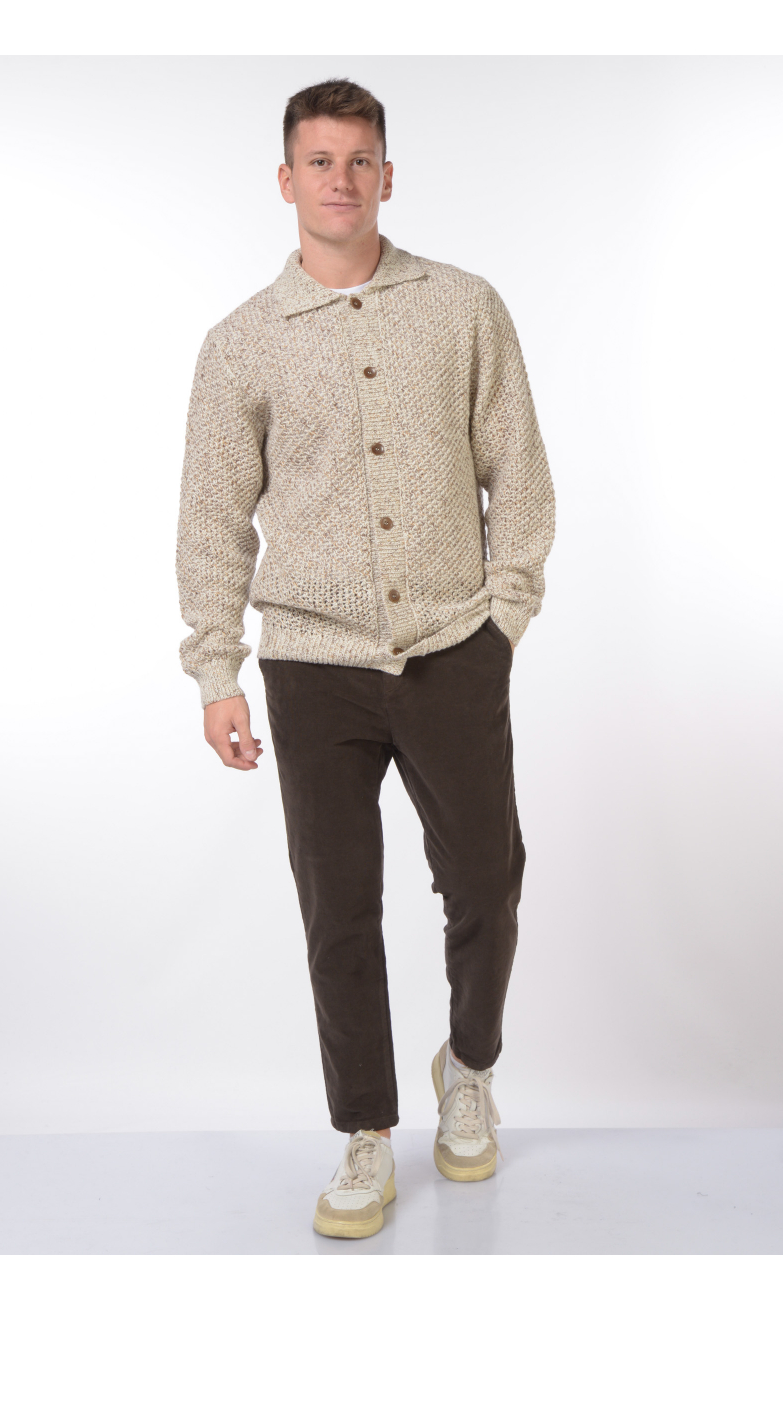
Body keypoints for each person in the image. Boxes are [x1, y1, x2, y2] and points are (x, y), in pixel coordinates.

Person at [176, 78, 555, 1239]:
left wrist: (503, 618)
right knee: (337, 905)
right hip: (309, 664)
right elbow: (212, 518)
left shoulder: (464, 307)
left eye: (359, 160)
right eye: (319, 161)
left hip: (451, 646)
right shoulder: (241, 344)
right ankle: (366, 1134)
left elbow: (517, 469)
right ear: (285, 180)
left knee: (486, 879)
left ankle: (469, 1065)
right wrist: (218, 671)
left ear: (387, 175)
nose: (339, 180)